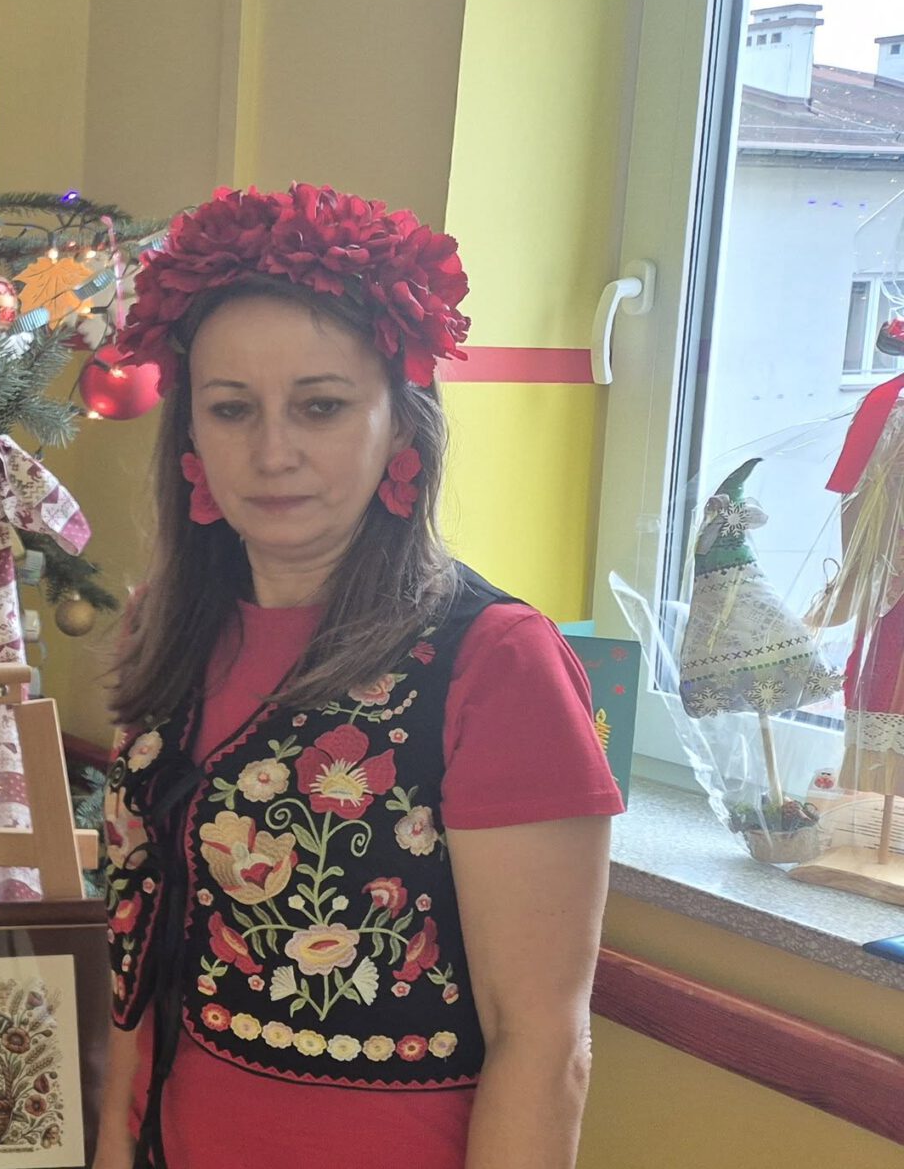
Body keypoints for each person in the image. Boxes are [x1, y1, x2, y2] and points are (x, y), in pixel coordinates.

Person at [94, 184, 623, 1169]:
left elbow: (543, 1044)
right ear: (191, 438)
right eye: (231, 409)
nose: (273, 451)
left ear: (401, 427)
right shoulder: (165, 629)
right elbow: (140, 954)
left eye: (322, 406)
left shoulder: (496, 662)